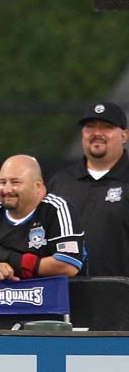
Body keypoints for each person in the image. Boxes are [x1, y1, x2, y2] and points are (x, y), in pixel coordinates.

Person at [0, 155, 84, 281]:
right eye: (2, 182)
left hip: (52, 301)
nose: (7, 189)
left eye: (16, 182)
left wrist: (15, 262)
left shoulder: (57, 209)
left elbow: (68, 265)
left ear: (38, 186)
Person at [47, 101, 129, 277]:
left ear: (124, 135)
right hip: (67, 296)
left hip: (120, 297)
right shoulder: (61, 182)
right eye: (90, 127)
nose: (97, 133)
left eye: (107, 127)